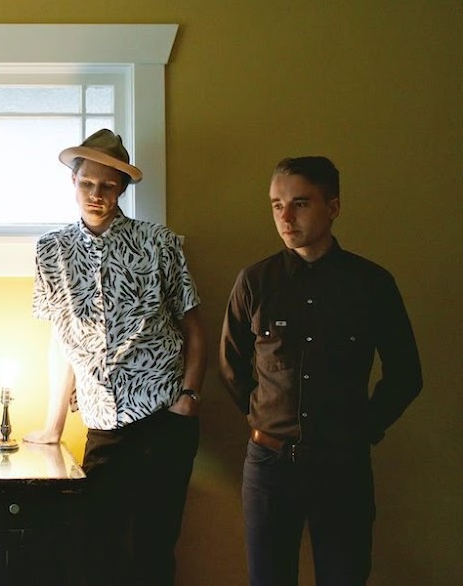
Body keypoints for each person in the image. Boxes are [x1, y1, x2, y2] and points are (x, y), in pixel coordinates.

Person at [220, 156, 422, 585]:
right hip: (270, 467)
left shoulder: (371, 284)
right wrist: (264, 417)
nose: (285, 217)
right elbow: (231, 366)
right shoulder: (255, 281)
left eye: (300, 203)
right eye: (276, 205)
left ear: (333, 208)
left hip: (343, 465)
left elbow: (406, 374)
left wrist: (365, 428)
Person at [25, 129, 206, 586]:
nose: (96, 194)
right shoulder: (51, 251)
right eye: (87, 183)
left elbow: (194, 328)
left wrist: (188, 397)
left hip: (165, 418)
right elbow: (61, 342)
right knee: (94, 548)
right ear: (73, 181)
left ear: (122, 188)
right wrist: (52, 426)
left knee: (154, 550)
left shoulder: (158, 243)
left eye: (107, 186)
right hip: (103, 423)